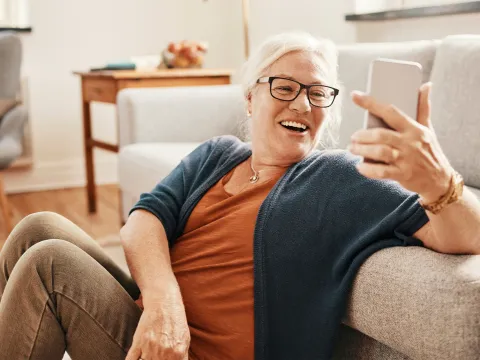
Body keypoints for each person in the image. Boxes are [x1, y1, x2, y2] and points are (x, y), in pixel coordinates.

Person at [1, 31, 480, 360]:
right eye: (285, 87)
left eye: (317, 94)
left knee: (51, 265)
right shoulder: (218, 154)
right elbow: (144, 217)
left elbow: (466, 234)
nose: (301, 103)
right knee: (38, 226)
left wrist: (438, 180)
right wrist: (164, 300)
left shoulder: (339, 178)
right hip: (155, 331)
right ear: (251, 98)